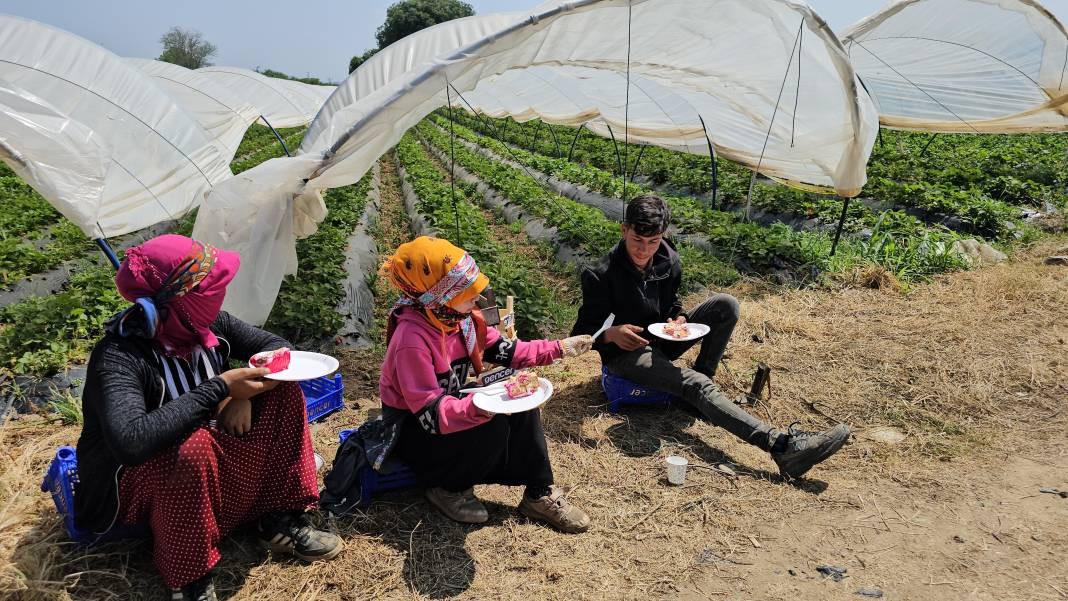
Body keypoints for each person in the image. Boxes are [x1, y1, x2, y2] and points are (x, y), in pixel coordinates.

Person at [74, 234, 341, 601]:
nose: (220, 296)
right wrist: (220, 389)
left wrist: (240, 393)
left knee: (284, 393)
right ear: (180, 301)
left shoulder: (208, 324)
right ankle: (190, 576)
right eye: (211, 289)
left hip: (206, 447)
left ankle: (277, 518)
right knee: (192, 447)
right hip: (145, 476)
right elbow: (131, 442)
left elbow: (280, 349)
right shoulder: (119, 356)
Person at [571, 195, 850, 479]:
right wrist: (611, 335)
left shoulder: (668, 259)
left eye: (653, 242)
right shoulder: (601, 274)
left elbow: (672, 304)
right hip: (627, 353)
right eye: (636, 241)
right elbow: (580, 335)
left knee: (726, 305)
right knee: (696, 384)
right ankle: (781, 446)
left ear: (663, 235)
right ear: (624, 229)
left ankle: (697, 397)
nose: (644, 250)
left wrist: (678, 319)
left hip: (662, 338)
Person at [379, 236, 595, 532]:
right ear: (439, 296)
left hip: (445, 412)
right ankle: (448, 489)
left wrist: (559, 348)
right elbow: (431, 415)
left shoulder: (462, 321)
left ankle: (539, 493)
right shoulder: (411, 341)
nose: (477, 299)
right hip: (415, 431)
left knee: (524, 402)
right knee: (491, 426)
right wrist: (483, 406)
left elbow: (510, 351)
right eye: (467, 292)